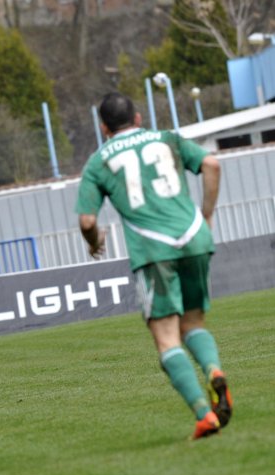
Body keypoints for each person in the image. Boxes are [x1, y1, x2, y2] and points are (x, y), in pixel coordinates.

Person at [76, 92, 232, 441]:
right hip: (195, 238)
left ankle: (204, 415)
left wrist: (93, 242)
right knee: (193, 322)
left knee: (166, 338)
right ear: (138, 117)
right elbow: (212, 164)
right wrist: (206, 217)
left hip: (153, 250)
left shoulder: (98, 161)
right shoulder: (167, 138)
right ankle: (214, 370)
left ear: (103, 127)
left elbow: (87, 219)